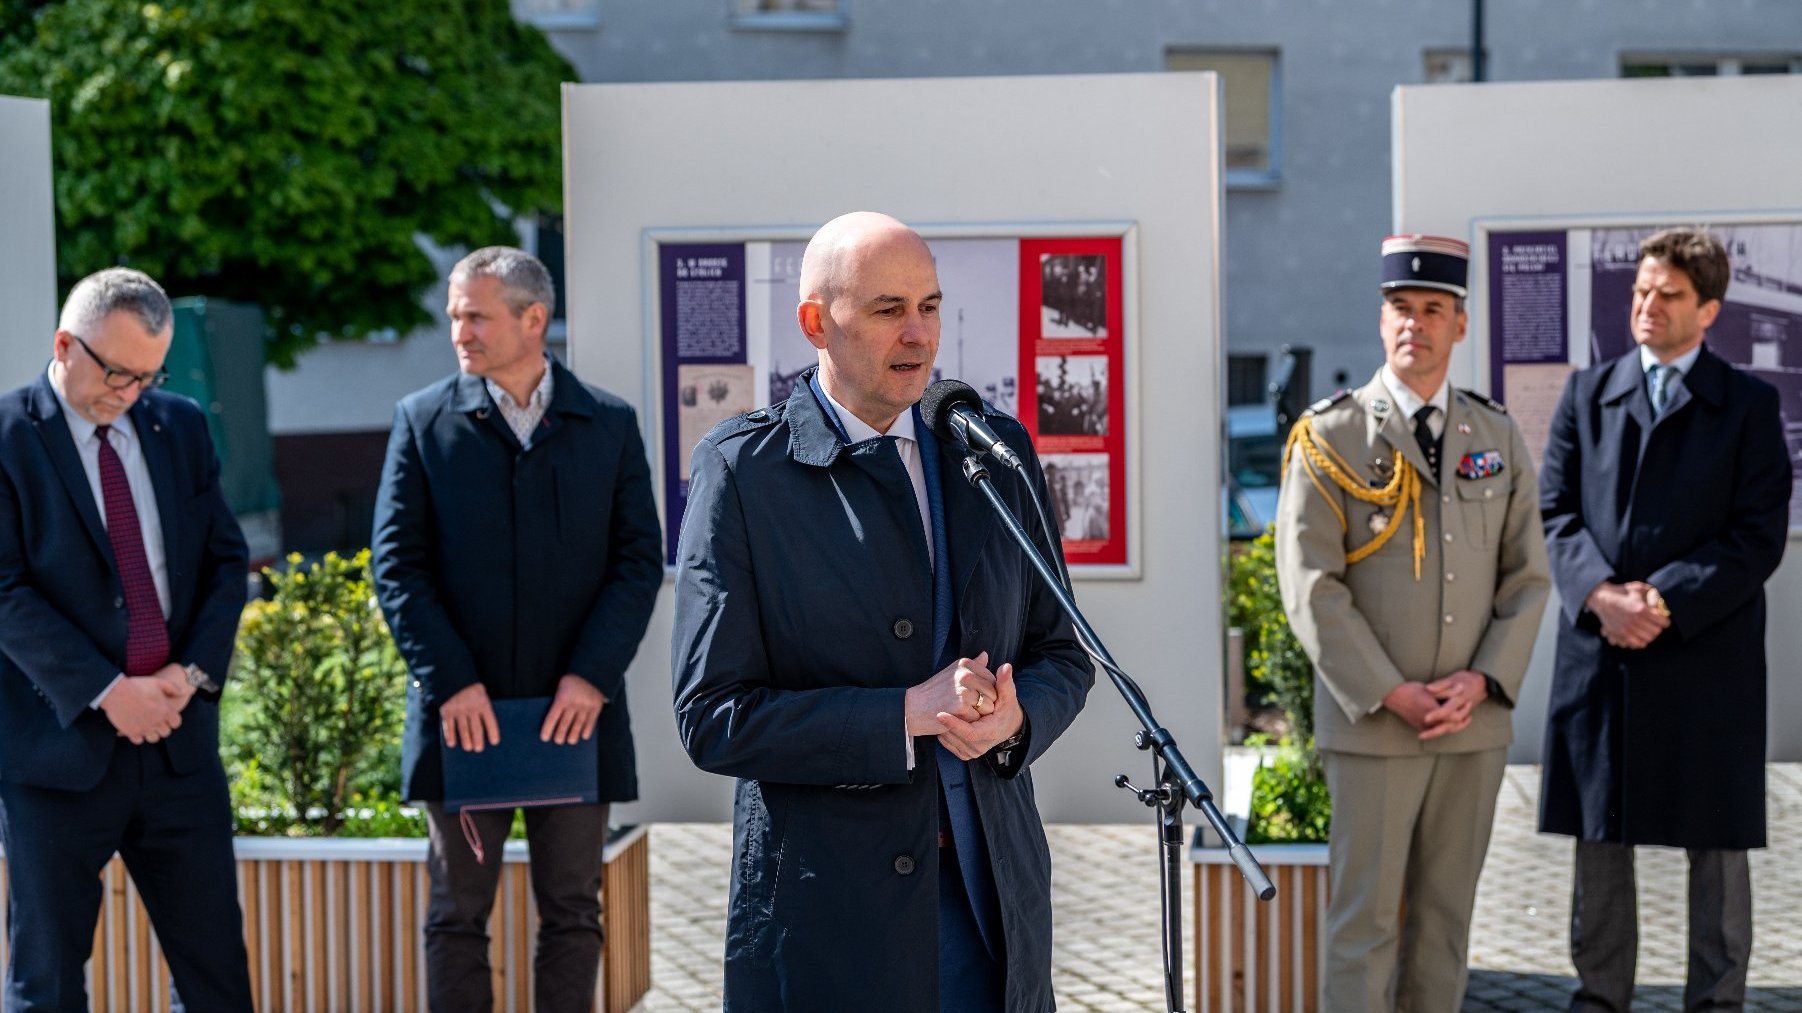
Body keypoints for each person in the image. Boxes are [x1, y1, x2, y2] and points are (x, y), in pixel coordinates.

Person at [671, 211, 1092, 1012]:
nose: (919, 335)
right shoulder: (742, 472)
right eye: (887, 309)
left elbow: (1063, 652)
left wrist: (1016, 720)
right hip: (828, 910)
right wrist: (901, 714)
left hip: (989, 891)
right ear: (814, 322)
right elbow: (712, 715)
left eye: (929, 306)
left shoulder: (992, 451)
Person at [372, 246, 663, 1012]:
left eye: (475, 314)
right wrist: (453, 681)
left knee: (573, 910)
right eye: (454, 314)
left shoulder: (607, 423)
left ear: (534, 320)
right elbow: (397, 567)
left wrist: (591, 676)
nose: (458, 330)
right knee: (456, 913)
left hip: (575, 715)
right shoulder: (422, 422)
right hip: (462, 723)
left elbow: (638, 563)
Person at [1275, 235, 1551, 1011]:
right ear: (1381, 316)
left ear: (1460, 325)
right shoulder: (1332, 436)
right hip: (1376, 726)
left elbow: (1528, 576)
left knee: (1445, 924)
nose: (1415, 324)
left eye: (1434, 309)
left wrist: (1485, 678)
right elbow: (1310, 583)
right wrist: (1390, 690)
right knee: (1362, 927)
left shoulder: (1494, 435)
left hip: (1471, 724)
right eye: (1401, 307)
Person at [1538, 227, 1791, 1013]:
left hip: (1704, 651)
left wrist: (1664, 599)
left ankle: (1717, 1000)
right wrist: (1603, 596)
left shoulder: (1750, 405)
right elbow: (1556, 512)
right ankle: (1600, 996)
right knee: (1601, 833)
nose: (1646, 306)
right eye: (1641, 291)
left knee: (1715, 837)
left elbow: (1757, 534)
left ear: (1710, 309)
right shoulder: (1588, 391)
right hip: (1603, 651)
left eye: (1668, 295)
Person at [0, 268, 253, 1009]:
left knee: (216, 977)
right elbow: (5, 589)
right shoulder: (9, 438)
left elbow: (224, 558)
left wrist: (192, 673)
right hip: (57, 757)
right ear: (63, 346)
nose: (131, 392)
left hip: (178, 748)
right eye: (117, 372)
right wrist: (110, 693)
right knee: (46, 981)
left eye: (148, 374)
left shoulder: (180, 424)